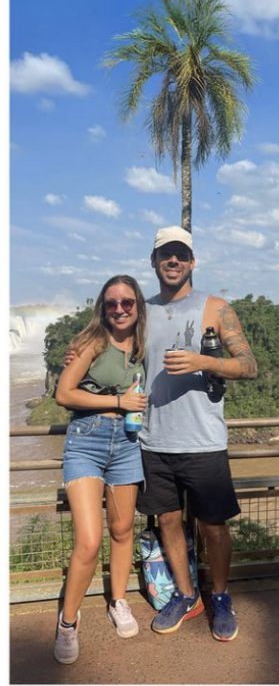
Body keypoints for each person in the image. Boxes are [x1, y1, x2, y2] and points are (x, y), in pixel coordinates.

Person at [137, 226, 258, 641]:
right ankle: (187, 596)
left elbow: (249, 365)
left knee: (213, 526)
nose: (173, 261)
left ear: (192, 262)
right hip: (153, 440)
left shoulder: (215, 308)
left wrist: (203, 362)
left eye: (180, 255)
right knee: (168, 520)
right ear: (153, 262)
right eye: (165, 255)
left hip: (203, 440)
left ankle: (221, 597)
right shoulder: (141, 311)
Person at [53, 275, 149, 664]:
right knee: (90, 541)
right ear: (102, 307)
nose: (120, 309)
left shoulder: (145, 345)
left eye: (127, 302)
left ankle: (119, 601)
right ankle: (67, 622)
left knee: (123, 529)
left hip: (128, 445)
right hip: (87, 442)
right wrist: (118, 400)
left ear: (138, 305)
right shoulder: (91, 342)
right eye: (112, 303)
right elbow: (63, 394)